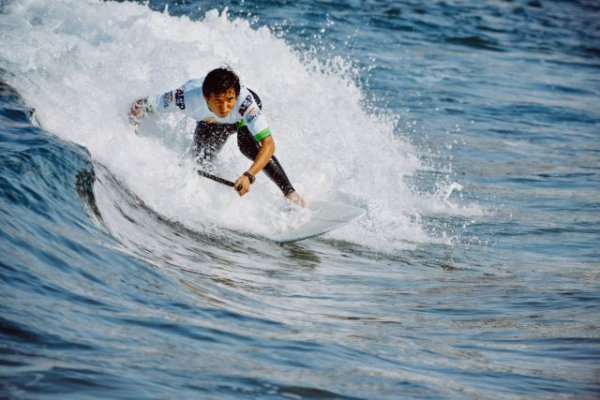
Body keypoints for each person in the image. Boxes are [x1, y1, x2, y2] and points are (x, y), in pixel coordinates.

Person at [128, 67, 305, 206]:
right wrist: (130, 128)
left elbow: (269, 145)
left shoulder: (245, 104)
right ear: (206, 98)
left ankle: (291, 194)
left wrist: (248, 176)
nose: (225, 107)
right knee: (201, 160)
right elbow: (145, 105)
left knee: (247, 145)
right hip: (211, 121)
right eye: (218, 101)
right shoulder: (185, 98)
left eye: (229, 100)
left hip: (241, 119)